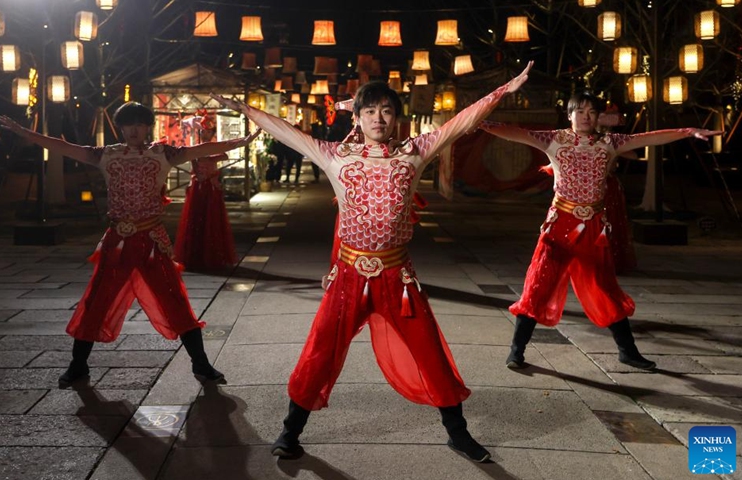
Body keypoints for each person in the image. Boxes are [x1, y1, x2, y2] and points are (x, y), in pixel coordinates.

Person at [212, 61, 533, 464]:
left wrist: (504, 89)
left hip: (398, 278)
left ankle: (459, 433)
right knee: (321, 352)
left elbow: (461, 122)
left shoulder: (413, 154)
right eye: (370, 111)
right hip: (349, 275)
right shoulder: (334, 156)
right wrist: (246, 110)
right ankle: (289, 432)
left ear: (396, 118)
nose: (378, 118)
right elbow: (288, 132)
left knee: (430, 351)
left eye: (386, 111)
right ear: (358, 116)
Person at [0, 102, 257, 387]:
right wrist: (26, 132)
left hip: (151, 242)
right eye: (128, 124)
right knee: (97, 299)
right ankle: (77, 366)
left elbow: (201, 150)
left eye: (140, 124)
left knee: (175, 300)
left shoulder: (162, 153)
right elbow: (63, 147)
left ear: (147, 127)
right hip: (117, 242)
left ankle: (202, 364)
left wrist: (241, 141)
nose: (134, 130)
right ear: (121, 127)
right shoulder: (106, 155)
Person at [480, 92, 720, 371]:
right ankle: (516, 352)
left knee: (604, 286)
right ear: (569, 115)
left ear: (598, 117)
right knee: (539, 284)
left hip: (593, 225)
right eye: (579, 111)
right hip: (561, 223)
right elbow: (517, 133)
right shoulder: (554, 140)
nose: (585, 117)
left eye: (591, 112)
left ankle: (627, 352)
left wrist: (688, 131)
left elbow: (649, 138)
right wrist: (483, 123)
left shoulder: (609, 142)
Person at [174, 117, 260, 273]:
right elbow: (196, 168)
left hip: (211, 188)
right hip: (200, 188)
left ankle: (211, 255)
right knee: (198, 219)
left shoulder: (210, 150)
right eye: (204, 131)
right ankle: (197, 255)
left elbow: (225, 155)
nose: (206, 134)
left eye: (208, 132)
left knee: (212, 219)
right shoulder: (196, 150)